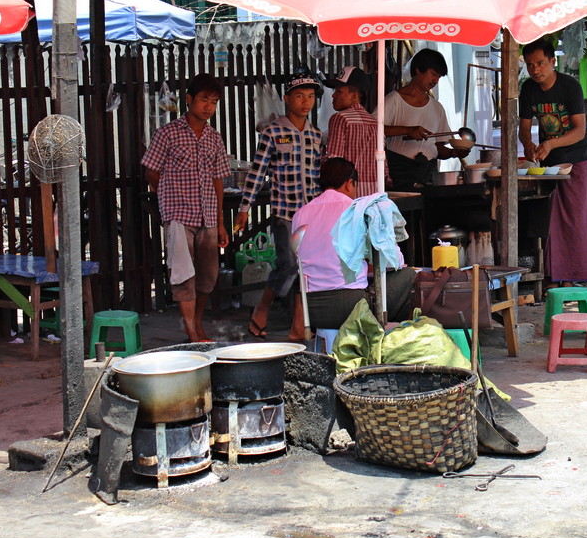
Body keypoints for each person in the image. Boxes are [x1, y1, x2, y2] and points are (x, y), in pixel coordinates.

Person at [235, 71, 323, 341]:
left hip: (312, 216)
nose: (305, 102)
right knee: (286, 265)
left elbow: (320, 177)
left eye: (310, 97)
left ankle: (299, 327)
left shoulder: (317, 136)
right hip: (285, 213)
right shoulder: (273, 132)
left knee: (306, 269)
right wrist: (244, 209)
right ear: (287, 99)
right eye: (299, 96)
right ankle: (261, 309)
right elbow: (257, 173)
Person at [141, 73, 230, 342]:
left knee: (208, 275)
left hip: (208, 215)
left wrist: (221, 221)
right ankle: (192, 331)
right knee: (182, 273)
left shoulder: (214, 138)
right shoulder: (167, 133)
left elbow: (218, 181)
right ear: (189, 99)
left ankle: (196, 322)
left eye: (213, 102)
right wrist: (168, 192)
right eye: (204, 100)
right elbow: (151, 172)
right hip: (178, 214)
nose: (208, 107)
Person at [291, 158, 415, 329]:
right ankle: (383, 335)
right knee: (407, 275)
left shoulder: (300, 214)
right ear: (350, 184)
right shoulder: (357, 210)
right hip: (349, 306)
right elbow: (393, 260)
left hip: (310, 309)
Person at [518, 37, 587, 290]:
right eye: (530, 65)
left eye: (540, 63)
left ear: (553, 61)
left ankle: (572, 275)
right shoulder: (527, 89)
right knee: (549, 218)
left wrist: (550, 143)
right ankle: (552, 274)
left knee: (575, 219)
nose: (535, 70)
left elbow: (580, 131)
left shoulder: (570, 87)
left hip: (575, 160)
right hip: (546, 164)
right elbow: (525, 128)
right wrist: (528, 145)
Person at [381, 48, 470, 191]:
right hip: (399, 172)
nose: (435, 80)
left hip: (428, 174)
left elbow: (438, 148)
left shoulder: (437, 108)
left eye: (439, 77)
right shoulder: (393, 100)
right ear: (418, 70)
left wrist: (453, 153)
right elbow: (372, 129)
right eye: (433, 74)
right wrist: (407, 130)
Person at [323, 65, 383, 196]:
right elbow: (384, 168)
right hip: (374, 193)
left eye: (338, 91)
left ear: (354, 96)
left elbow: (335, 160)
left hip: (348, 191)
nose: (333, 95)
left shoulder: (340, 118)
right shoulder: (375, 123)